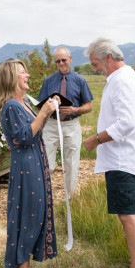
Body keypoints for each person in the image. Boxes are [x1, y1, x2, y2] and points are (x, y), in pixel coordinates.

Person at [83, 38, 135, 268]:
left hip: (123, 159)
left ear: (109, 57)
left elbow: (126, 124)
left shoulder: (122, 80)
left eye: (96, 63)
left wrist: (95, 139)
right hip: (125, 158)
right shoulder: (124, 77)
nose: (95, 69)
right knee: (134, 210)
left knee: (128, 215)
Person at [0, 59, 60, 268]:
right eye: (23, 72)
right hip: (25, 166)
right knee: (28, 214)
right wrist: (43, 112)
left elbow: (35, 128)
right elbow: (23, 136)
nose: (28, 75)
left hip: (35, 161)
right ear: (12, 78)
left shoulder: (23, 104)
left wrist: (48, 109)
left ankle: (26, 267)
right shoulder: (11, 106)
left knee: (36, 212)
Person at [38, 46, 93, 198]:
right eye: (57, 61)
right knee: (46, 163)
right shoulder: (49, 81)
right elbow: (41, 105)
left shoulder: (80, 80)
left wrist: (74, 110)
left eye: (63, 60)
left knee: (71, 164)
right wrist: (49, 105)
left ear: (70, 59)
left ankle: (70, 198)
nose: (61, 63)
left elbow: (89, 106)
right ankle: (44, 198)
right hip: (51, 124)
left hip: (71, 125)